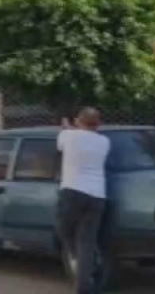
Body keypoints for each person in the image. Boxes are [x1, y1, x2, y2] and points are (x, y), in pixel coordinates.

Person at [57, 107, 111, 294]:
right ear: (98, 124)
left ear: (78, 121)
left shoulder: (69, 136)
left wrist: (66, 127)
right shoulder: (104, 141)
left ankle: (74, 257)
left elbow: (61, 144)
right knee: (87, 242)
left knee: (63, 231)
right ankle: (84, 286)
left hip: (72, 192)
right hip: (97, 195)